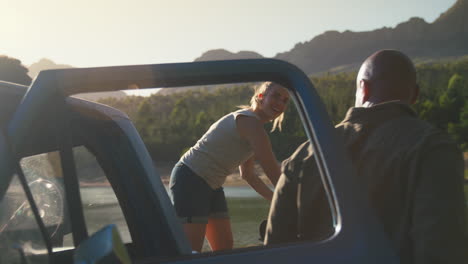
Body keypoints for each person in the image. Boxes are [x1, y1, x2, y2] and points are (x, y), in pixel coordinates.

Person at [265, 50, 467, 264]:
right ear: (415, 95)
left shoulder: (305, 153)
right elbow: (442, 250)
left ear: (364, 88)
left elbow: (274, 250)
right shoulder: (432, 149)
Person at [170, 82, 290, 252]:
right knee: (192, 252)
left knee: (224, 249)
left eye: (285, 100)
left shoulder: (254, 126)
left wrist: (275, 201)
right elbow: (273, 172)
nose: (280, 103)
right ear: (261, 97)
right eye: (276, 96)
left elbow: (248, 174)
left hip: (213, 184)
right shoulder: (249, 123)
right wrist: (293, 202)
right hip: (191, 178)